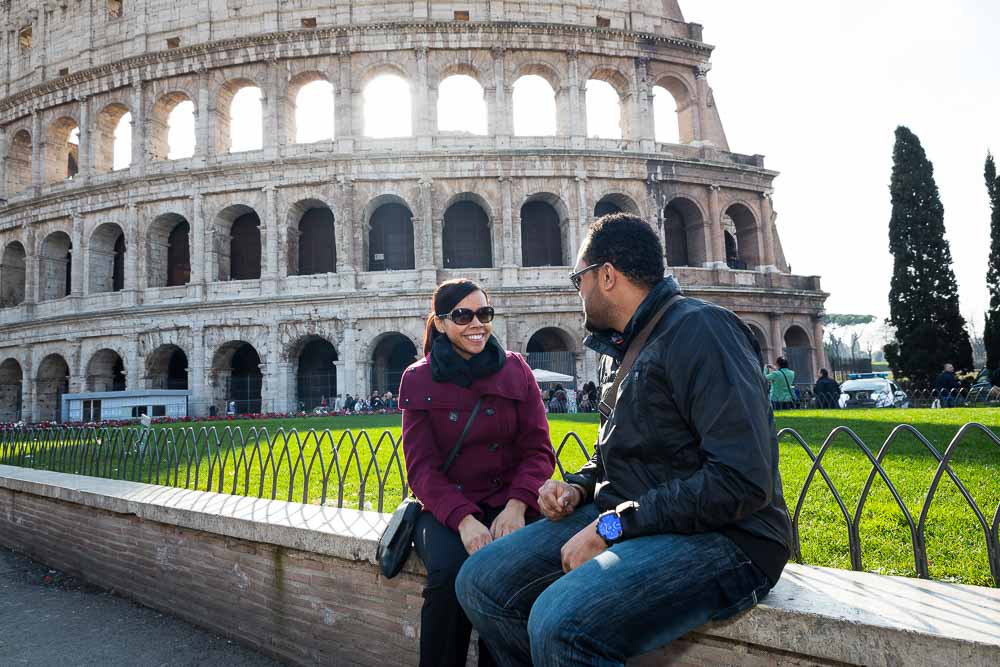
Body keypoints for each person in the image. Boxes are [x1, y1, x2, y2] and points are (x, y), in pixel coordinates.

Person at [456, 214, 791, 666]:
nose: (578, 291)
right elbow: (620, 454)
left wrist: (613, 527)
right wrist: (576, 486)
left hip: (729, 536)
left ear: (607, 276)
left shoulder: (702, 331)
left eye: (580, 279)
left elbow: (741, 479)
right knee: (481, 580)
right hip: (634, 514)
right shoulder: (619, 349)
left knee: (561, 622)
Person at [399, 279, 556, 667]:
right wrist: (464, 520)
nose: (477, 324)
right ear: (440, 323)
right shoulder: (418, 379)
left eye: (484, 314)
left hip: (508, 502)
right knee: (450, 574)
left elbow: (538, 450)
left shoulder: (516, 369)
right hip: (446, 508)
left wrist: (518, 506)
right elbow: (421, 469)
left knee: (512, 575)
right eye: (463, 315)